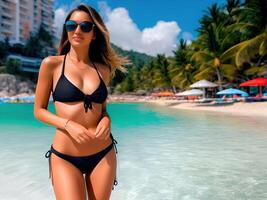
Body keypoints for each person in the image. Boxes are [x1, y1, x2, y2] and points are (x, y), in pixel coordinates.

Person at [34, 4, 127, 200]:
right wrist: (68, 125)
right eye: (71, 25)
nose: (77, 31)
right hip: (65, 157)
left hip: (103, 153)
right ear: (66, 30)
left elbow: (102, 110)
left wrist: (106, 121)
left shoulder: (103, 69)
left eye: (85, 26)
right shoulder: (51, 64)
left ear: (94, 33)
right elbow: (39, 111)